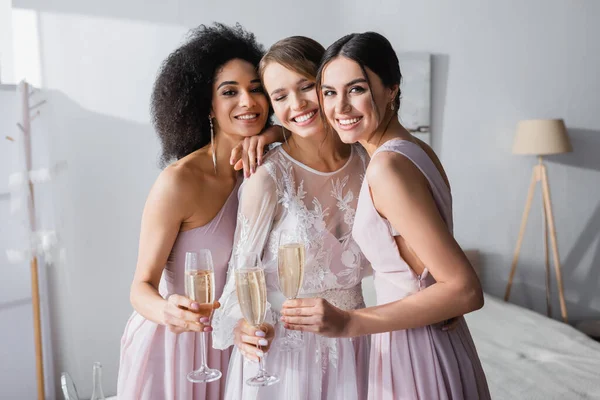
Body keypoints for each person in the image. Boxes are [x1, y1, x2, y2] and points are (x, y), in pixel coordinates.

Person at [281, 32, 491, 400]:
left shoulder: (387, 168)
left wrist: (348, 323)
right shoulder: (415, 150)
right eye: (329, 92)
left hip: (416, 349)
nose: (340, 107)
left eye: (356, 89)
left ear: (391, 89)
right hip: (431, 338)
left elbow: (465, 289)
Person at [118, 23, 280, 400]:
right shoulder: (179, 182)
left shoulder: (269, 166)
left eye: (257, 89)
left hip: (236, 345)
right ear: (206, 104)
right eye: (230, 92)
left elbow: (316, 131)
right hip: (175, 349)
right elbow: (140, 286)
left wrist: (274, 134)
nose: (248, 101)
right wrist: (168, 312)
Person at [212, 36, 370, 400]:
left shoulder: (368, 161)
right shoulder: (268, 176)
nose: (297, 104)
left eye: (306, 87)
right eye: (280, 96)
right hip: (287, 357)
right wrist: (241, 326)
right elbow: (241, 272)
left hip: (357, 342)